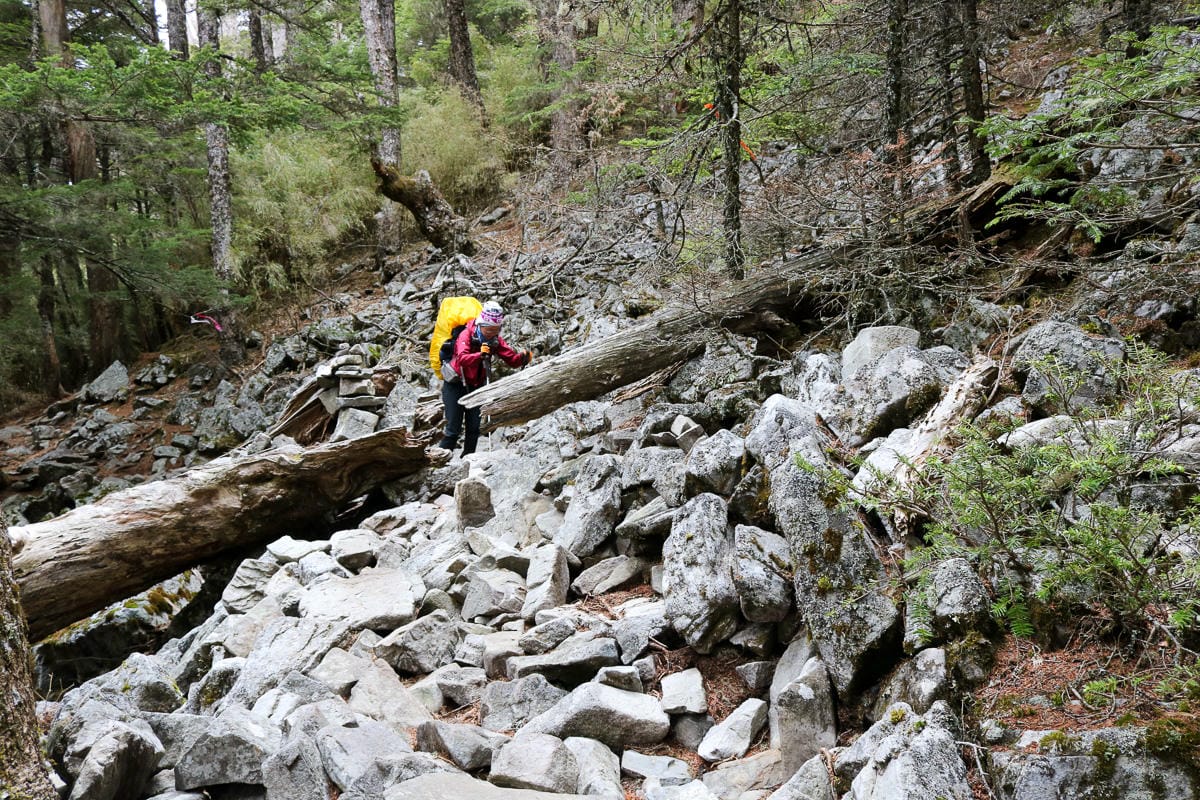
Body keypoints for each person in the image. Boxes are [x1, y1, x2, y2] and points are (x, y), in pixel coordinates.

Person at [438, 300, 532, 455]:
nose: (492, 334)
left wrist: (522, 358)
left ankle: (468, 460)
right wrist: (480, 355)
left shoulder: (495, 340)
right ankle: (439, 461)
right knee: (452, 429)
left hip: (476, 385)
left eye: (495, 330)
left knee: (474, 428)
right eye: (489, 330)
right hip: (455, 384)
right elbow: (462, 358)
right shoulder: (466, 334)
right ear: (481, 324)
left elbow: (511, 359)